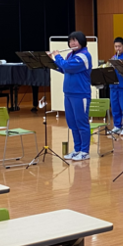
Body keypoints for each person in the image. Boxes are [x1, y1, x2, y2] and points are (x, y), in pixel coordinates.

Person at [51, 32, 92, 161]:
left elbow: (67, 66)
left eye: (75, 40)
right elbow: (64, 69)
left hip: (80, 94)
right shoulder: (70, 54)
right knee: (72, 123)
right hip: (69, 93)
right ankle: (77, 149)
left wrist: (57, 56)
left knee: (81, 123)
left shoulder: (84, 56)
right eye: (70, 41)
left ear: (82, 42)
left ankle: (85, 151)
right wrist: (50, 61)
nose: (72, 43)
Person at [109, 37, 123, 136]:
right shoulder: (113, 58)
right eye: (116, 46)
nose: (117, 48)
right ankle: (117, 126)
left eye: (119, 46)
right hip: (114, 87)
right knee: (115, 107)